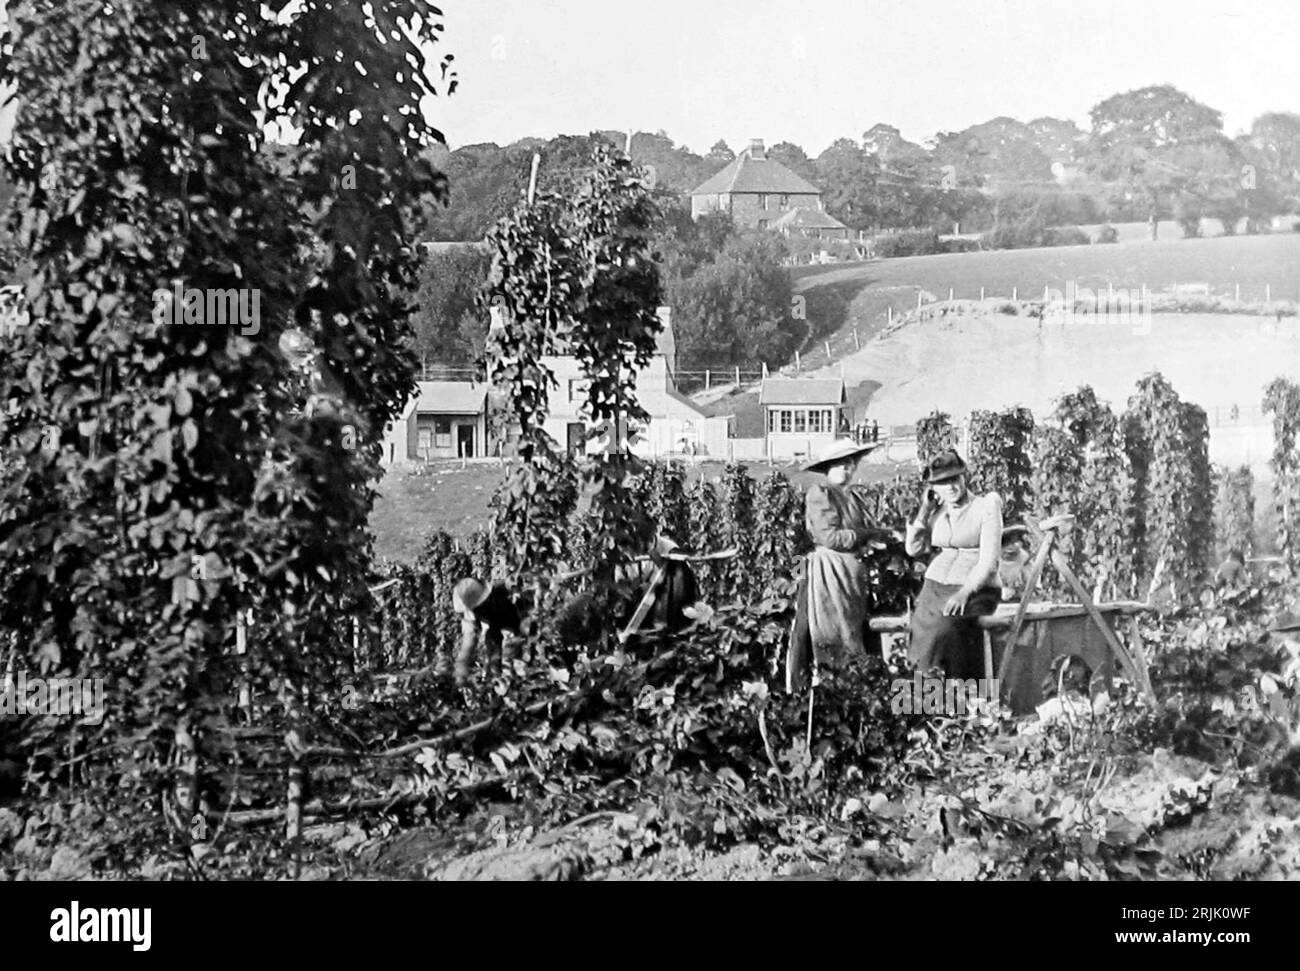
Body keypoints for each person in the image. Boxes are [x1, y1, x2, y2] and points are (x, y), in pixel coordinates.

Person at [786, 438, 886, 690]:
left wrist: (879, 536)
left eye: (851, 464)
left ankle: (858, 687)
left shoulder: (854, 497)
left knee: (856, 633)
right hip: (832, 573)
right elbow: (829, 537)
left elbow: (867, 530)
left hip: (854, 574)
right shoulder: (821, 493)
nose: (847, 469)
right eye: (841, 464)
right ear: (828, 468)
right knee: (835, 634)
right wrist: (863, 535)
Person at [904, 449, 1004, 680]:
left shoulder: (985, 507)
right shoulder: (938, 511)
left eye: (954, 479)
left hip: (976, 588)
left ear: (964, 477)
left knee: (946, 631)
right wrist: (925, 510)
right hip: (935, 586)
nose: (949, 487)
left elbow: (989, 562)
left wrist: (964, 593)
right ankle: (924, 704)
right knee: (918, 630)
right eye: (941, 482)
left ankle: (960, 700)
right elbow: (914, 549)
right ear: (933, 488)